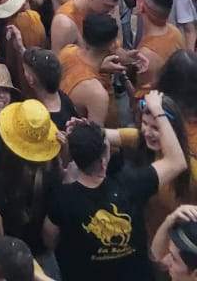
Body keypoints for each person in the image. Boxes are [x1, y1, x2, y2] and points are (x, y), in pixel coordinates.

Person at [44, 100, 186, 281]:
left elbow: (49, 238)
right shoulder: (132, 184)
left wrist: (84, 135)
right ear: (105, 161)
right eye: (145, 125)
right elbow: (177, 161)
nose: (148, 132)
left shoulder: (61, 198)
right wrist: (158, 112)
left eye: (155, 127)